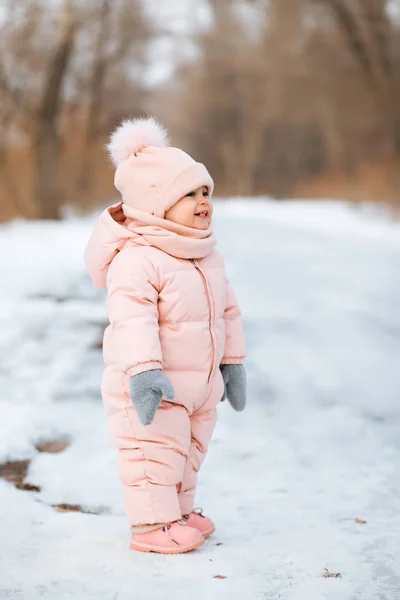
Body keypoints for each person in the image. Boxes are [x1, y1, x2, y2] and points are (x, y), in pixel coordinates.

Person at [84, 117, 246, 554]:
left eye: (205, 192)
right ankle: (153, 523)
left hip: (200, 385)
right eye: (187, 194)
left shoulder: (206, 253)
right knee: (153, 455)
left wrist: (232, 363)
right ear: (154, 205)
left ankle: (180, 512)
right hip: (152, 384)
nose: (202, 202)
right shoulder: (138, 259)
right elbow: (131, 319)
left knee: (189, 453)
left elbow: (227, 311)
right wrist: (143, 372)